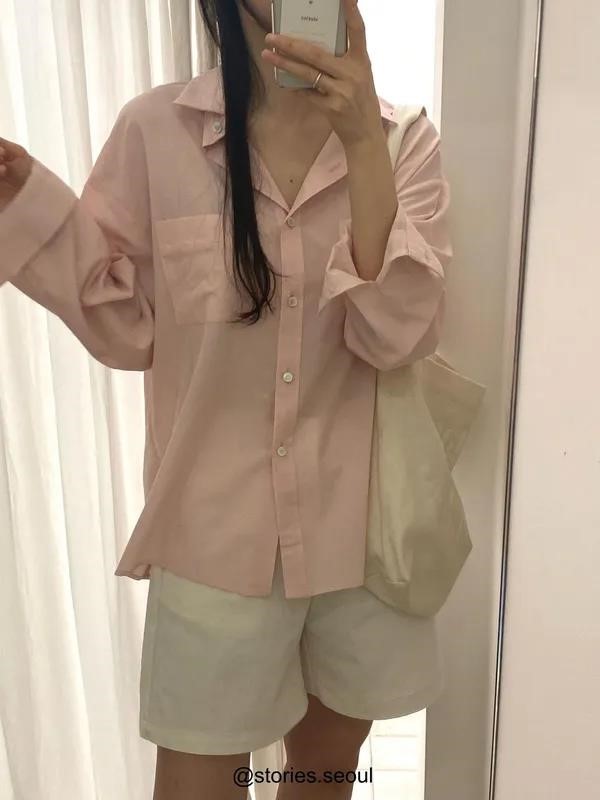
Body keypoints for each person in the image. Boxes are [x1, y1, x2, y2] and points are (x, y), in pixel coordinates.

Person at [0, 1, 452, 798]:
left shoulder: (402, 141)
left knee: (321, 781)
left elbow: (395, 337)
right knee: (196, 783)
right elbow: (126, 328)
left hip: (363, 541)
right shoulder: (156, 132)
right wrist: (25, 202)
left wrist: (360, 143)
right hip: (214, 540)